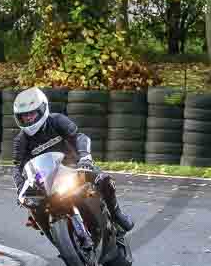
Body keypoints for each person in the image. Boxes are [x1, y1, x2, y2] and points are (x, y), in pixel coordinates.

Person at [12, 86, 134, 232]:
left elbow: (79, 137)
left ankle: (116, 214)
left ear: (42, 109)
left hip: (75, 166)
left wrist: (85, 157)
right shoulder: (20, 140)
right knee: (33, 213)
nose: (28, 118)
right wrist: (21, 189)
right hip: (46, 179)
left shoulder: (57, 121)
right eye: (24, 116)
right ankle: (54, 235)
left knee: (104, 180)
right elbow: (18, 167)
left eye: (31, 114)